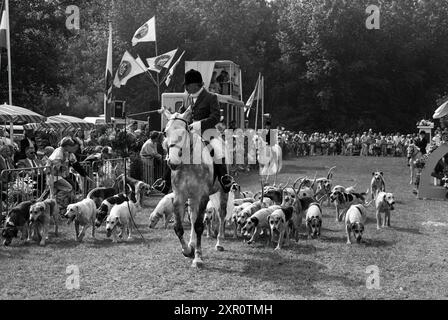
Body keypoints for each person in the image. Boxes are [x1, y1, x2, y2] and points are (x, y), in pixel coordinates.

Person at [153, 69, 234, 194]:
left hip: (208, 132)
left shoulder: (211, 97)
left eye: (187, 85)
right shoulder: (188, 98)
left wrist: (198, 124)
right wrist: (166, 111)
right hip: (190, 134)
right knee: (173, 149)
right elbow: (182, 114)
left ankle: (224, 177)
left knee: (218, 148)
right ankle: (165, 182)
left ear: (196, 84)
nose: (185, 88)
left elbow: (216, 117)